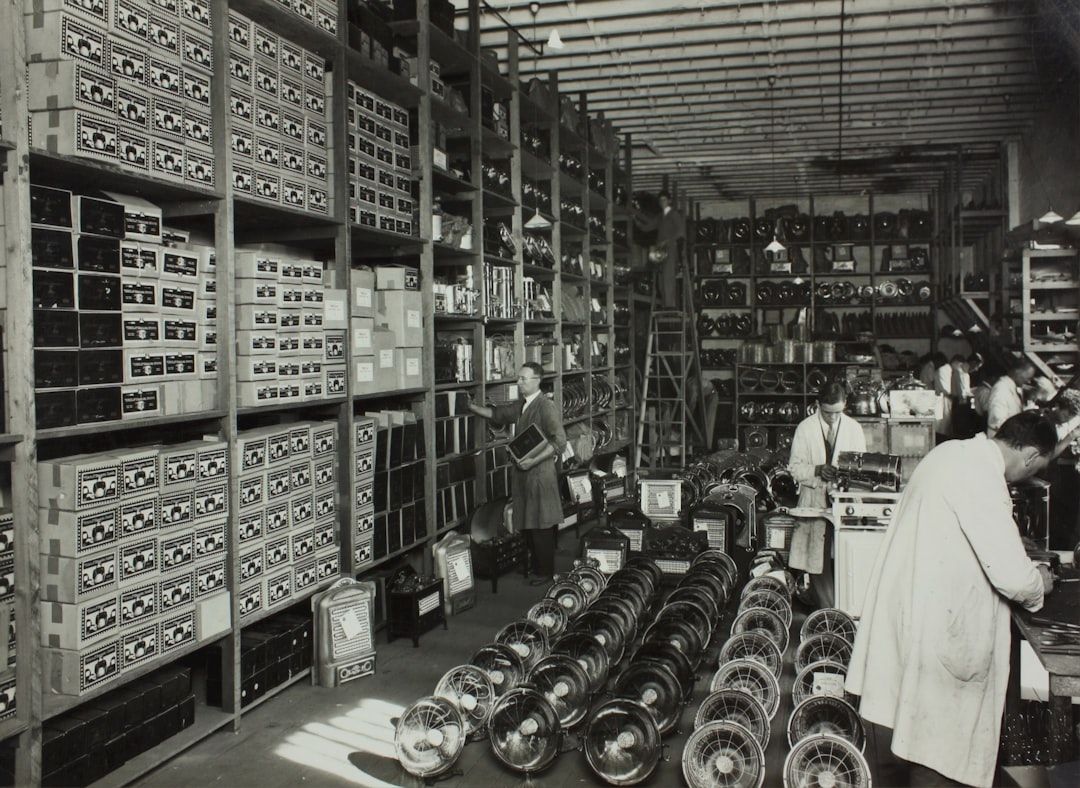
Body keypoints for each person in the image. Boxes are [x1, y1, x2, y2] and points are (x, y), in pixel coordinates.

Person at [845, 411, 1059, 787]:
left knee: (921, 732)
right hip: (941, 631)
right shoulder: (981, 477)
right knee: (942, 745)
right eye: (1039, 466)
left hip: (919, 615)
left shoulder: (951, 454)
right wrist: (1039, 580)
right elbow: (1012, 577)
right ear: (1029, 456)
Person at [468, 363, 568, 586]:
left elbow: (559, 440)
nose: (519, 382)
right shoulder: (524, 404)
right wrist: (472, 407)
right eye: (519, 378)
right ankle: (538, 565)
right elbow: (499, 414)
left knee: (541, 523)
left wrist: (534, 459)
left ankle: (545, 571)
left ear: (537, 380)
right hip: (526, 475)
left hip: (540, 474)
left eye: (523, 378)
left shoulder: (545, 406)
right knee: (531, 522)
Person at [786, 382, 866, 607]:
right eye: (828, 412)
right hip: (814, 501)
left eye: (838, 413)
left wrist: (843, 474)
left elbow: (862, 470)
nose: (832, 418)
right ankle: (827, 610)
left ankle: (840, 607)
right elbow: (795, 468)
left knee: (842, 558)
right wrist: (817, 470)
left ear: (845, 406)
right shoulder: (805, 428)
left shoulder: (854, 429)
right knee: (818, 561)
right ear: (818, 405)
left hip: (843, 502)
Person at [985, 356, 1036, 437]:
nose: (1028, 382)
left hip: (1009, 437)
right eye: (1028, 378)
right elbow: (998, 421)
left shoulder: (1014, 387)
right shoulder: (1001, 389)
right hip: (1001, 438)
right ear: (1017, 371)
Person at [653, 190, 686, 307]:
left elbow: (681, 232)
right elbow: (648, 226)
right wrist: (635, 219)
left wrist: (668, 241)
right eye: (660, 200)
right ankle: (664, 305)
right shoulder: (660, 217)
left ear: (669, 201)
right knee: (660, 278)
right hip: (660, 251)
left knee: (668, 277)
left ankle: (670, 306)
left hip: (670, 249)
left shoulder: (674, 215)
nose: (662, 202)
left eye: (664, 200)